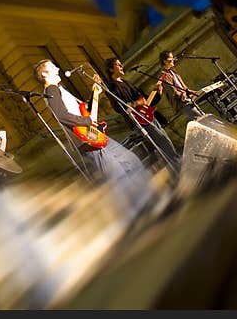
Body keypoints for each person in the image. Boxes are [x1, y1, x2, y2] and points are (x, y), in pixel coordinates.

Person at [33, 60, 153, 216]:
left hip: (93, 134)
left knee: (131, 161)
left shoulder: (60, 90)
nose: (57, 68)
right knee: (118, 174)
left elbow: (83, 109)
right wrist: (87, 121)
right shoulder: (51, 90)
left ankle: (147, 199)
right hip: (85, 140)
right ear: (44, 74)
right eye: (52, 67)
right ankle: (135, 212)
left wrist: (94, 93)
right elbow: (61, 116)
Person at [105, 57, 180, 175]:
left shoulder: (126, 83)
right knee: (164, 143)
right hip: (139, 122)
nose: (121, 66)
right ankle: (180, 169)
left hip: (148, 117)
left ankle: (176, 172)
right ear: (110, 69)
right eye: (118, 65)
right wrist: (135, 103)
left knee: (165, 143)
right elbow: (118, 107)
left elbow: (146, 101)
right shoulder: (112, 87)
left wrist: (158, 93)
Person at [158, 51, 202, 119]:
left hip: (188, 100)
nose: (173, 60)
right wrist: (187, 97)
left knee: (203, 117)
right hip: (183, 104)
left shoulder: (172, 71)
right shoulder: (164, 75)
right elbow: (174, 93)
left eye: (172, 58)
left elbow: (183, 88)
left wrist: (195, 92)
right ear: (164, 61)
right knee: (200, 119)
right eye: (170, 59)